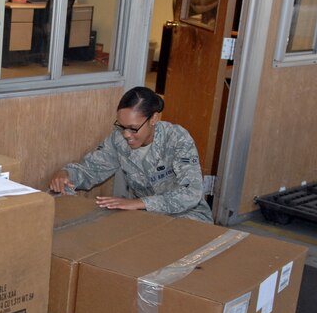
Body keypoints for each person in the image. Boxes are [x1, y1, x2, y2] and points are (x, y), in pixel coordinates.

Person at [49, 86, 213, 222]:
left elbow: (191, 193)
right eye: (121, 126)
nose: (126, 134)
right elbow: (92, 169)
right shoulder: (118, 139)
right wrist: (66, 174)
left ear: (154, 119)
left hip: (187, 217)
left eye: (133, 128)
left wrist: (139, 203)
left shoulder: (177, 138)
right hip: (146, 217)